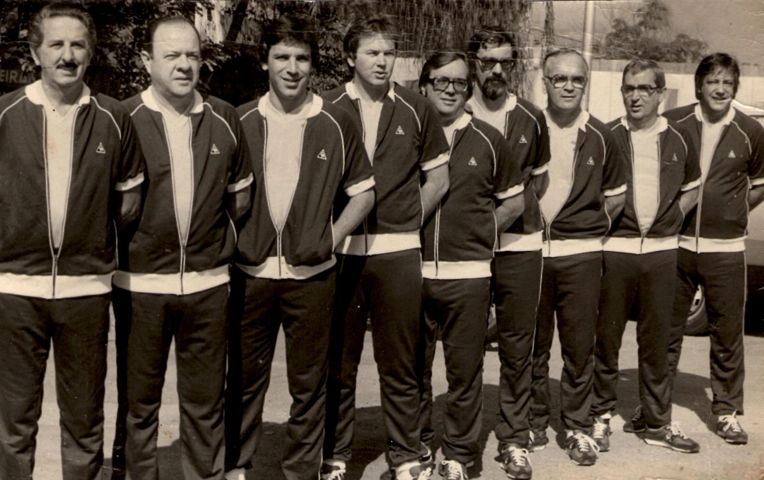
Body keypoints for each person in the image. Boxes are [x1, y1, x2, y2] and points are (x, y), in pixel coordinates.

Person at [225, 13, 375, 480]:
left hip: (312, 277)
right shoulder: (241, 120)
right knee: (245, 381)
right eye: (282, 57)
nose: (292, 68)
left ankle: (300, 472)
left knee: (308, 384)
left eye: (302, 58)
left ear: (314, 65)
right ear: (266, 63)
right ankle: (235, 467)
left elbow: (364, 192)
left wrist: (327, 239)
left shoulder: (336, 120)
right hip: (251, 275)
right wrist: (238, 241)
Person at [0, 3, 144, 479]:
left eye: (77, 44)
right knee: (13, 421)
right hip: (14, 291)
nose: (67, 55)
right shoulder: (5, 114)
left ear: (92, 51)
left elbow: (128, 202)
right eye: (56, 44)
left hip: (85, 292)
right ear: (35, 51)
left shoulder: (114, 117)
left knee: (83, 421)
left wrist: (91, 245)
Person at [113, 16, 253, 480]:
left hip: (208, 287)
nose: (184, 65)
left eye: (192, 55)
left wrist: (214, 250)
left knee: (204, 404)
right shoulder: (121, 118)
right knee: (139, 406)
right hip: (140, 286)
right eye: (171, 55)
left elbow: (241, 198)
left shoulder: (225, 117)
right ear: (146, 61)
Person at [322, 16, 450, 480]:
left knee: (401, 363)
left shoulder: (416, 107)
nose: (381, 61)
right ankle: (334, 456)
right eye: (372, 52)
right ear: (350, 57)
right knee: (339, 362)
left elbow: (439, 178)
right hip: (342, 252)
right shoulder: (327, 106)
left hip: (397, 254)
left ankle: (406, 458)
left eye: (388, 52)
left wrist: (406, 219)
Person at [417, 52, 525, 480]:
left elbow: (514, 200)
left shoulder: (488, 140)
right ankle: (419, 449)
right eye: (440, 81)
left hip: (469, 278)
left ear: (469, 90)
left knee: (464, 374)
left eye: (459, 83)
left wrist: (481, 232)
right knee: (413, 370)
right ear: (423, 84)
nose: (449, 89)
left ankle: (458, 457)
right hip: (413, 272)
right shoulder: (404, 135)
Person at [591, 60, 701, 454]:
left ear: (659, 94)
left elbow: (693, 187)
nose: (635, 96)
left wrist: (673, 217)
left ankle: (657, 421)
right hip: (615, 251)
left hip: (661, 253)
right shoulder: (605, 136)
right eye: (629, 88)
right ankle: (599, 416)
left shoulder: (680, 137)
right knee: (606, 338)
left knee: (658, 341)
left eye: (644, 89)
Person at [529, 49, 626, 467]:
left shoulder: (603, 135)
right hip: (531, 252)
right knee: (532, 345)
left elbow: (617, 196)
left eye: (577, 80)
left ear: (585, 84)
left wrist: (587, 229)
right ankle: (532, 421)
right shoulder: (526, 127)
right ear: (544, 81)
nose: (568, 86)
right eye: (559, 79)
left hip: (582, 254)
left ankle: (578, 428)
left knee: (578, 347)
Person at [663, 53, 764, 446]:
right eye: (712, 82)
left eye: (727, 83)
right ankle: (655, 409)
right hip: (678, 246)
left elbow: (759, 183)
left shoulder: (750, 132)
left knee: (727, 334)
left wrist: (736, 209)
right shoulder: (674, 123)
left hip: (726, 250)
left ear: (735, 89)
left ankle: (726, 412)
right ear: (698, 87)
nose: (720, 89)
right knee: (665, 331)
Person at [465, 26, 550, 479]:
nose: (496, 70)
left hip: (520, 245)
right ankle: (462, 442)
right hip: (469, 253)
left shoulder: (531, 118)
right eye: (487, 61)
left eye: (505, 62)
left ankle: (514, 440)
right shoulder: (453, 114)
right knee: (466, 346)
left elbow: (537, 181)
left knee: (518, 345)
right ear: (473, 62)